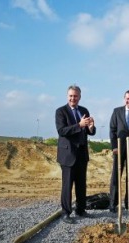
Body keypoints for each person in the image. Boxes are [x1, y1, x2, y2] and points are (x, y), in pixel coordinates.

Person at [55, 85, 96, 224]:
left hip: (81, 154)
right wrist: (79, 125)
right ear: (67, 96)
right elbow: (62, 131)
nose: (73, 98)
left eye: (76, 96)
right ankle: (66, 212)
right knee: (67, 185)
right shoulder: (61, 111)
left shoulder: (84, 110)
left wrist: (91, 128)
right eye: (71, 96)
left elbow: (89, 131)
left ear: (79, 97)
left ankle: (81, 209)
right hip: (68, 154)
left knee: (81, 183)